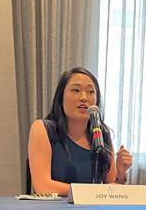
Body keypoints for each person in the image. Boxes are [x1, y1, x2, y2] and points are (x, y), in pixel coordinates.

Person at [28, 67, 133, 196]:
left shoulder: (102, 134)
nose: (84, 98)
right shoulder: (43, 129)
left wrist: (121, 174)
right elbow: (43, 187)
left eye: (90, 92)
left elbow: (111, 191)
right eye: (76, 90)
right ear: (61, 98)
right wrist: (92, 192)